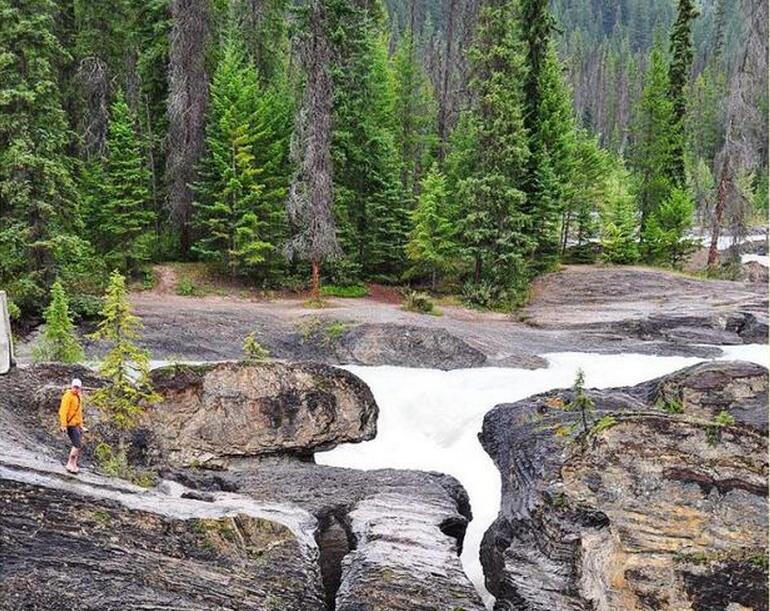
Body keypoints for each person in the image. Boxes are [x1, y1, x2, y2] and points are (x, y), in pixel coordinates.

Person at [59, 378, 85, 473]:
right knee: (77, 444)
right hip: (70, 425)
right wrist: (63, 425)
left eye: (78, 387)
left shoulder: (78, 397)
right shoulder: (68, 396)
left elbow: (79, 412)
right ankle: (69, 463)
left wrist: (81, 425)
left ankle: (74, 464)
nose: (76, 389)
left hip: (76, 424)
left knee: (78, 445)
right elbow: (63, 411)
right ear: (72, 386)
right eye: (75, 387)